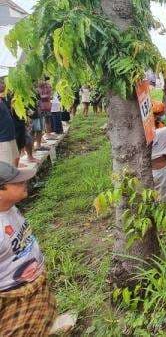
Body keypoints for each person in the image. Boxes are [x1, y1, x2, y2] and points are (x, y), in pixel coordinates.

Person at [0, 161, 56, 335]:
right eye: (17, 182)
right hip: (15, 299)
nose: (24, 183)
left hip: (33, 287)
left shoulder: (9, 208)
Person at [0, 83, 18, 167]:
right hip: (3, 139)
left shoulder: (2, 100)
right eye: (0, 83)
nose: (3, 85)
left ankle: (15, 176)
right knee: (6, 165)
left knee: (15, 158)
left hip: (10, 135)